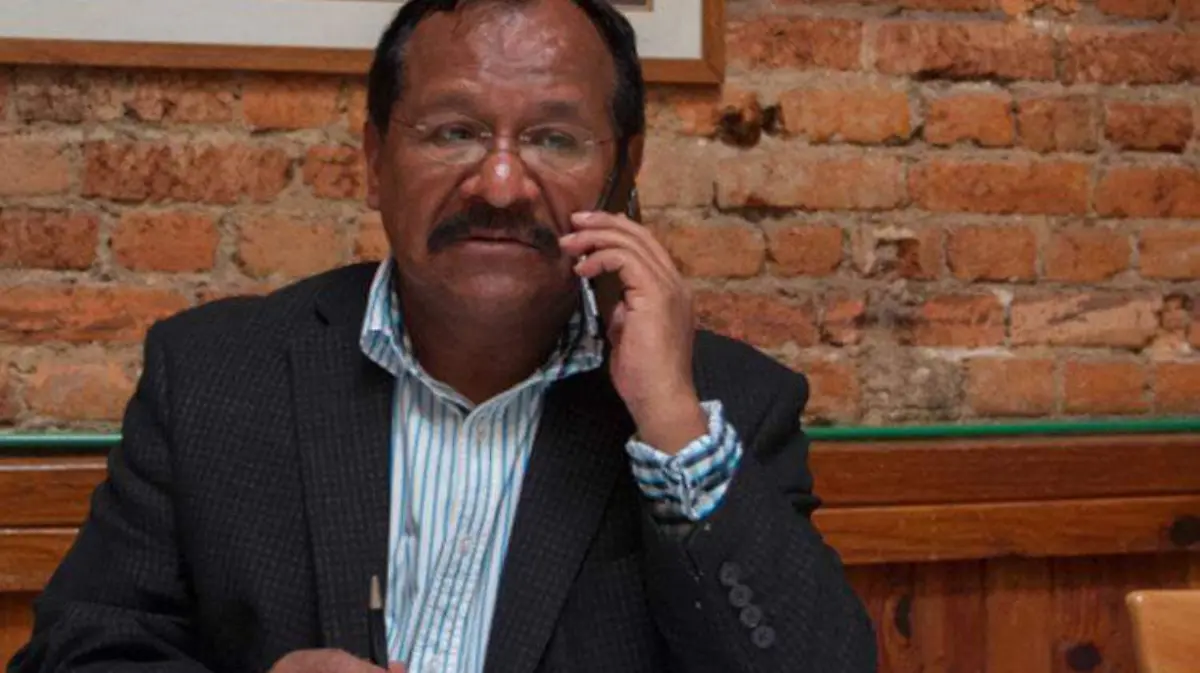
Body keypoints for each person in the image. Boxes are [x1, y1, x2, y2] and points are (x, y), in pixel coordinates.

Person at [7, 1, 876, 672]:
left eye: (553, 139)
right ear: (374, 159)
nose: (499, 184)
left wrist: (671, 424)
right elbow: (78, 653)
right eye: (453, 132)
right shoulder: (215, 375)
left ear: (625, 169)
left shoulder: (723, 405)